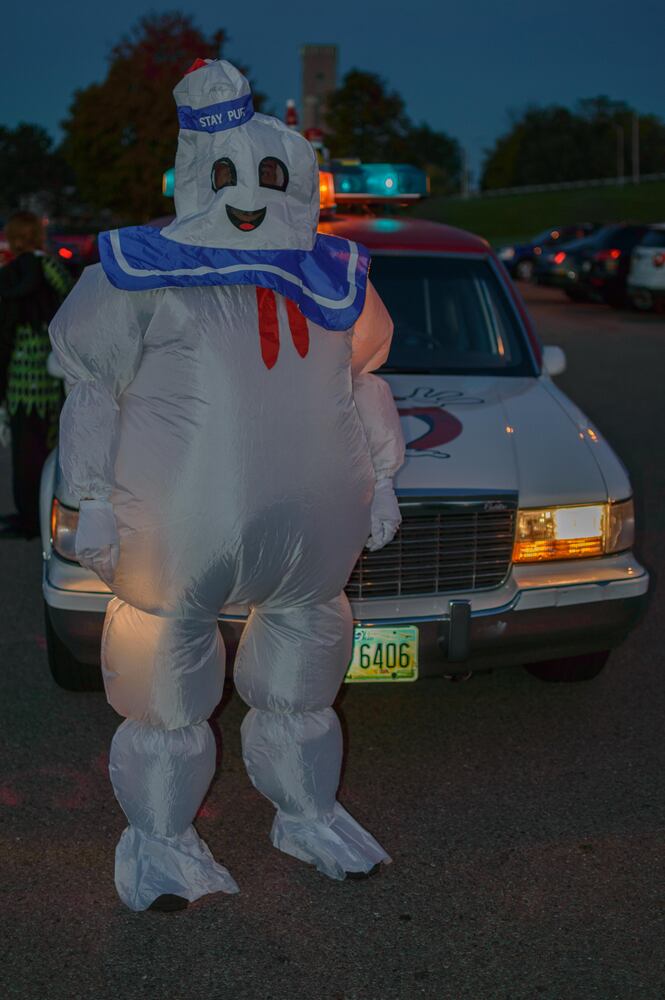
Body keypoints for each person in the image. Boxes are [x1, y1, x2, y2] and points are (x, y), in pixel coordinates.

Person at [49, 59, 404, 912]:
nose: (249, 194)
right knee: (165, 691)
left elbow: (363, 383)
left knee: (304, 682)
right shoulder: (141, 273)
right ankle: (162, 840)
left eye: (269, 176)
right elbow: (92, 384)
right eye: (229, 175)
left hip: (310, 540)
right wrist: (91, 495)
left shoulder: (332, 279)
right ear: (195, 174)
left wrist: (383, 478)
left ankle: (307, 811)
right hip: (178, 535)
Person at [0, 211, 72, 538]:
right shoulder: (50, 268)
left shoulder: (11, 273)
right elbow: (70, 299)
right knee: (45, 449)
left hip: (17, 374)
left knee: (21, 447)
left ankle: (24, 514)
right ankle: (42, 515)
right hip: (47, 372)